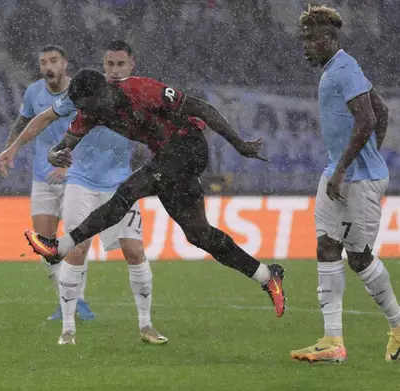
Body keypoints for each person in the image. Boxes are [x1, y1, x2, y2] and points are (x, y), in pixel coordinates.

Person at [22, 68, 287, 323]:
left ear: (103, 93)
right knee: (198, 234)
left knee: (127, 192)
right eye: (82, 108)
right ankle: (266, 276)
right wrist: (54, 154)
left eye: (88, 106)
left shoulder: (141, 89)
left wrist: (239, 144)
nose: (86, 113)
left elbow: (201, 108)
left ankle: (61, 247)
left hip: (189, 146)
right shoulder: (90, 110)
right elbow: (65, 144)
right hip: (166, 160)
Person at [0, 41, 166, 345]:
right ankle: (68, 329)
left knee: (134, 251)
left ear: (132, 65)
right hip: (81, 182)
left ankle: (146, 325)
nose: (114, 70)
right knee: (77, 249)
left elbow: (162, 126)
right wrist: (14, 148)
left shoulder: (140, 95)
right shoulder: (85, 91)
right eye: (110, 64)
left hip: (120, 185)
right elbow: (44, 117)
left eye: (120, 64)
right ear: (103, 65)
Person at [290, 5, 400, 363]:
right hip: (337, 173)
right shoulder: (335, 69)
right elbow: (381, 112)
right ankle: (332, 342)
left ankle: (398, 325)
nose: (305, 46)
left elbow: (368, 117)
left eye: (311, 39)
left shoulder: (344, 66)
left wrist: (348, 167)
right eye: (303, 39)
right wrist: (343, 166)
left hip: (357, 180)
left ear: (329, 38)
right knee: (326, 246)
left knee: (359, 258)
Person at [0, 45, 95, 321]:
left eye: (53, 61)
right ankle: (67, 301)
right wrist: (10, 150)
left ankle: (80, 301)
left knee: (76, 239)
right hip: (42, 177)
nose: (48, 66)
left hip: (76, 176)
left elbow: (90, 131)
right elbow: (23, 122)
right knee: (45, 244)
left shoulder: (80, 91)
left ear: (65, 63)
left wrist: (69, 165)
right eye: (43, 62)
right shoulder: (33, 92)